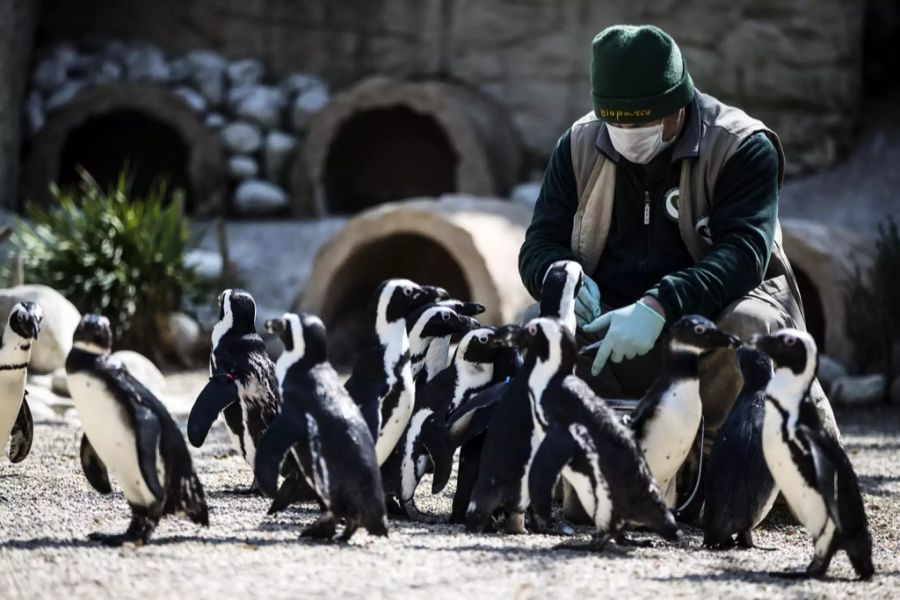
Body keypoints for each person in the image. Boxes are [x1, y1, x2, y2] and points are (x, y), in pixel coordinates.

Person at [518, 25, 839, 487]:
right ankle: (583, 470)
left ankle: (714, 477)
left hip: (712, 328)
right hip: (614, 330)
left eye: (642, 123)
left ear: (678, 105)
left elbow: (744, 254)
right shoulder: (578, 144)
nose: (628, 135)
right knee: (539, 324)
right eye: (617, 122)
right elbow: (539, 242)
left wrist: (659, 305)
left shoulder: (742, 145)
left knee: (750, 328)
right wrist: (562, 276)